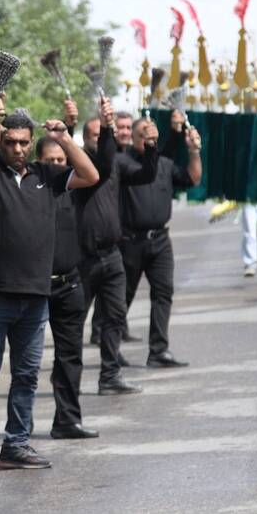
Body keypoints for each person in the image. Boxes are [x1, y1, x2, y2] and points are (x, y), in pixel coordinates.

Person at [0, 108, 99, 473]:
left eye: (24, 142)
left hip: (35, 296)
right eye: (11, 142)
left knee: (26, 374)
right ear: (1, 141)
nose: (19, 149)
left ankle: (16, 444)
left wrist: (66, 139)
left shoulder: (47, 175)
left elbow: (90, 175)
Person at [73, 98, 158, 395]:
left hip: (112, 255)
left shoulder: (118, 164)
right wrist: (107, 126)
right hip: (82, 258)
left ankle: (110, 375)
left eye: (104, 134)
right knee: (74, 320)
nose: (103, 139)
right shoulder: (78, 165)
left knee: (115, 316)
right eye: (97, 135)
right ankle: (69, 378)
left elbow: (146, 175)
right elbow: (103, 161)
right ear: (85, 139)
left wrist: (150, 146)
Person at [119, 113, 201, 368]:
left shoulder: (164, 164)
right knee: (121, 296)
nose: (148, 138)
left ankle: (158, 350)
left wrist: (194, 151)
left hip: (161, 241)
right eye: (143, 134)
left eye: (152, 134)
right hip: (130, 240)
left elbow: (192, 179)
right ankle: (110, 349)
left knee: (163, 292)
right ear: (133, 138)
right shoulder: (123, 162)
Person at [35, 135, 98, 440]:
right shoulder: (33, 186)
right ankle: (17, 431)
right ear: (39, 163)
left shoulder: (74, 187)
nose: (57, 166)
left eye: (62, 160)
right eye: (50, 161)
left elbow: (93, 173)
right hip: (33, 287)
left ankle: (67, 420)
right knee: (26, 361)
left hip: (69, 284)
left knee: (70, 357)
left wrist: (65, 140)